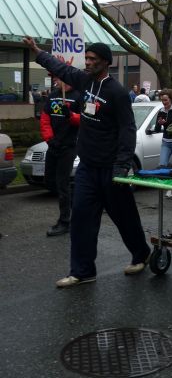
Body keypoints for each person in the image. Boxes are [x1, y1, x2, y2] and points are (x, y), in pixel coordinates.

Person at [22, 37, 151, 288]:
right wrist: (38, 52)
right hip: (87, 168)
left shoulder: (118, 93)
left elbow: (127, 130)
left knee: (124, 217)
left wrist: (122, 164)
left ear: (106, 62)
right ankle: (82, 271)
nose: (88, 63)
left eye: (93, 59)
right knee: (81, 217)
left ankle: (141, 254)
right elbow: (62, 69)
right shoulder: (84, 81)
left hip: (110, 167)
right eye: (87, 59)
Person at [40, 78, 81, 236]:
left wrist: (70, 115)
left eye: (59, 77)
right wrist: (49, 139)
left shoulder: (79, 96)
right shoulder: (53, 96)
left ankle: (65, 222)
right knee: (50, 181)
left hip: (69, 147)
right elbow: (45, 118)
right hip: (54, 144)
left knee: (62, 184)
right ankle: (77, 203)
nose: (56, 80)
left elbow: (85, 120)